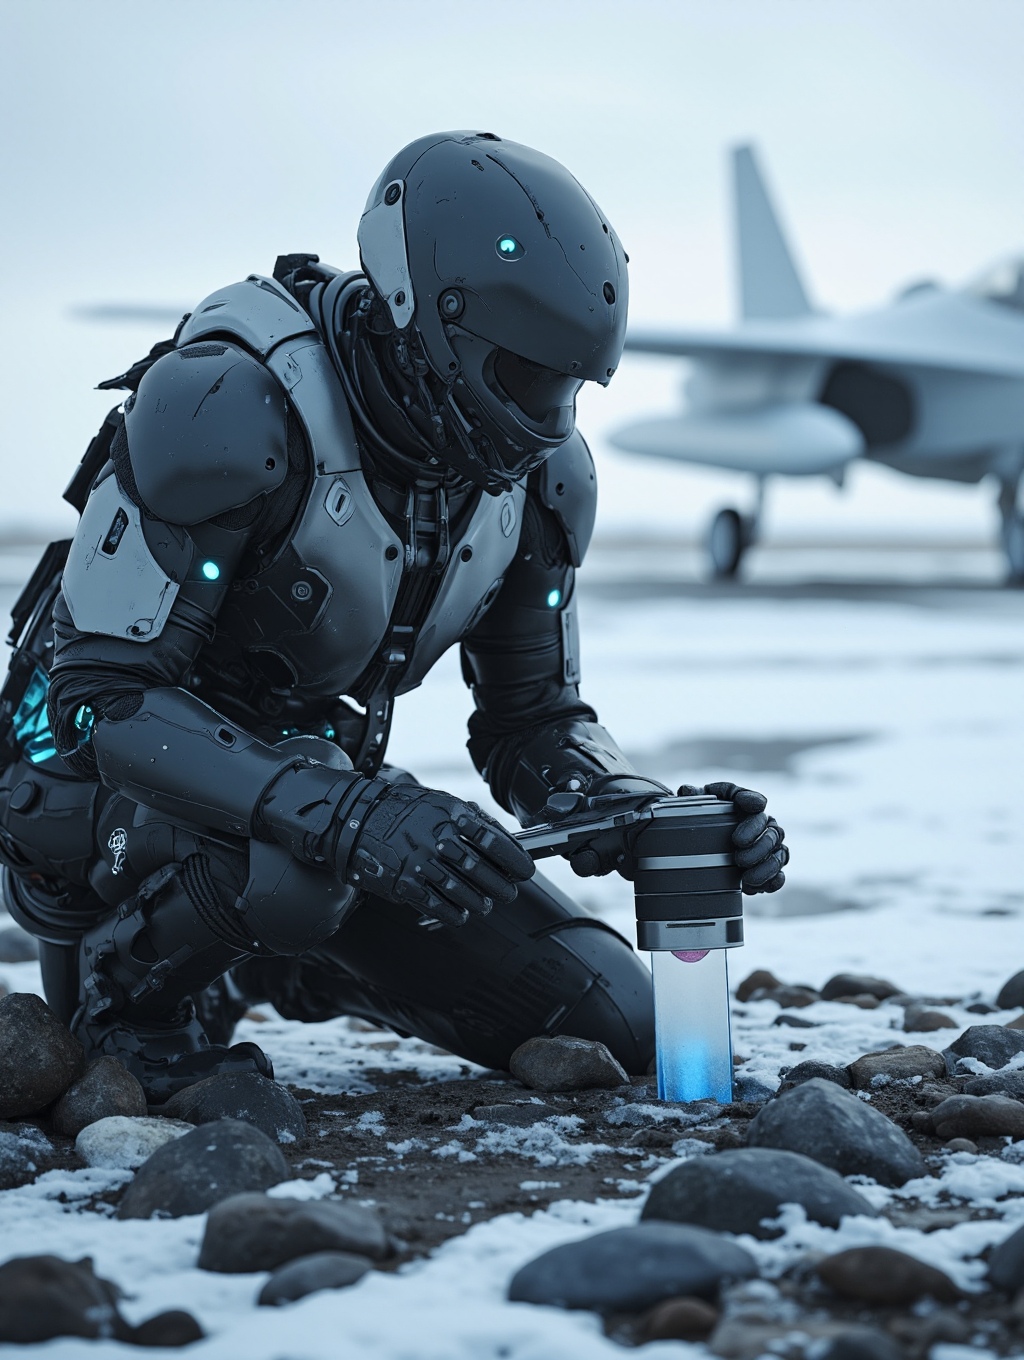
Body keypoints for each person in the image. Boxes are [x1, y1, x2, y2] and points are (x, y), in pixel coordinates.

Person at [0, 132, 788, 1100]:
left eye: (569, 388)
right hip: (103, 825)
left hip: (320, 818)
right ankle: (129, 1010)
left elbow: (531, 723)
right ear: (431, 322)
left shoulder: (538, 481)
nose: (549, 420)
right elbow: (103, 702)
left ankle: (282, 955)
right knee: (298, 851)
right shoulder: (227, 408)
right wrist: (342, 811)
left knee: (619, 1021)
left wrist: (639, 810)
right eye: (528, 379)